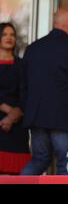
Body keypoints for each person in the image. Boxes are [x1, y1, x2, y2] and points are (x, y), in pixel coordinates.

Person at [20, 7, 68, 175]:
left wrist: (28, 110)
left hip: (36, 119)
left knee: (39, 160)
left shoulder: (32, 49)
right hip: (66, 122)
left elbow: (23, 86)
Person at [0, 22, 30, 174]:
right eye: (5, 34)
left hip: (17, 123)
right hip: (2, 118)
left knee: (16, 174)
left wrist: (12, 116)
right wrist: (5, 109)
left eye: (12, 35)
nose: (9, 38)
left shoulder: (22, 65)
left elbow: (26, 93)